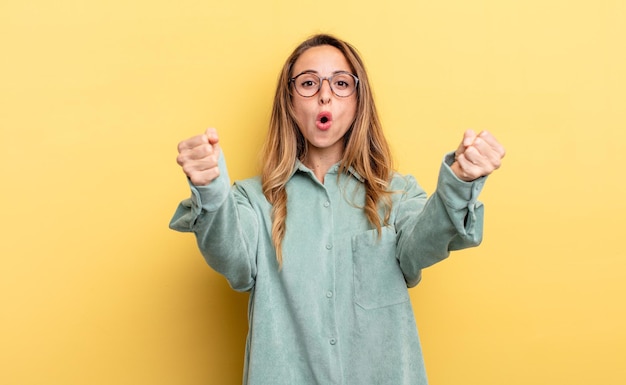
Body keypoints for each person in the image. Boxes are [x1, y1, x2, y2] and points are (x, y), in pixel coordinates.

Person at [169, 34, 505, 385]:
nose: (324, 94)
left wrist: (460, 180)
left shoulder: (397, 194)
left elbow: (424, 244)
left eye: (341, 83)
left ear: (359, 102)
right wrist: (210, 188)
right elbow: (232, 260)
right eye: (309, 83)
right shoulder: (252, 200)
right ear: (289, 101)